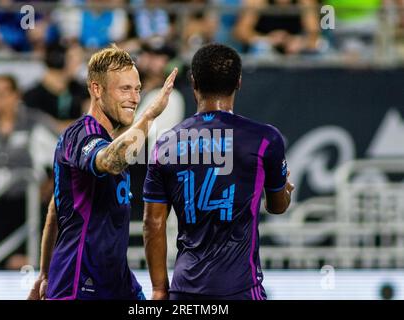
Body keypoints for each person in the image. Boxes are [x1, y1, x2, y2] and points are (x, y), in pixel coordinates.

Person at [143, 43, 294, 300]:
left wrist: (159, 289)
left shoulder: (165, 145)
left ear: (193, 82)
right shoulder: (265, 139)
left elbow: (152, 222)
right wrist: (285, 191)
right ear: (238, 82)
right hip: (241, 288)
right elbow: (277, 206)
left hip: (185, 288)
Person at [27, 44, 178, 300]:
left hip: (116, 280)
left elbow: (56, 208)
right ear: (97, 89)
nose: (135, 98)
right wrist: (149, 116)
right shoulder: (81, 134)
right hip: (78, 283)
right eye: (125, 89)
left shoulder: (110, 139)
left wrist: (43, 273)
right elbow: (111, 161)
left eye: (138, 89)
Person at [0, 74, 56, 270]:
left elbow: (62, 156)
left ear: (15, 95)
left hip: (26, 202)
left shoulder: (33, 124)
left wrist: (50, 184)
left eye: (2, 94)